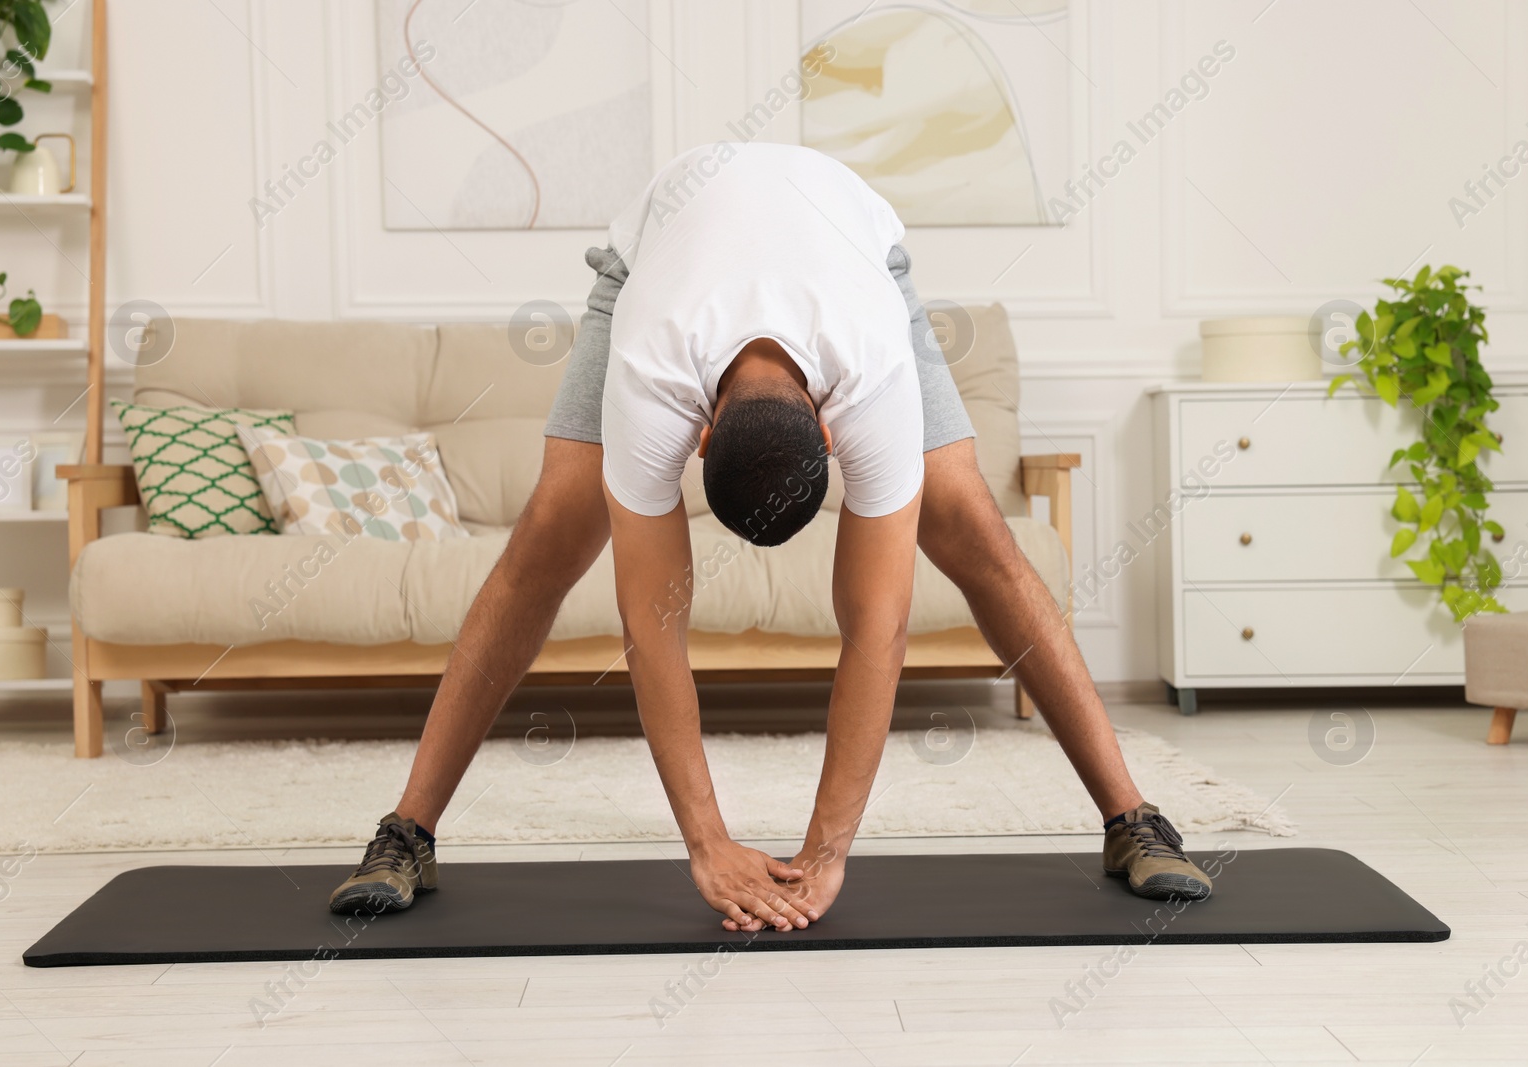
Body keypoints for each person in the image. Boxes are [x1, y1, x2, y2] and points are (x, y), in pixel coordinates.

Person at [329, 142, 1212, 927]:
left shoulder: (870, 376)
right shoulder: (650, 367)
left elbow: (879, 627)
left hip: (852, 246)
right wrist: (706, 843)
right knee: (551, 533)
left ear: (830, 430)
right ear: (697, 435)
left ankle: (1132, 816)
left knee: (972, 524)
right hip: (657, 256)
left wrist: (828, 852)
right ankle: (407, 829)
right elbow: (651, 628)